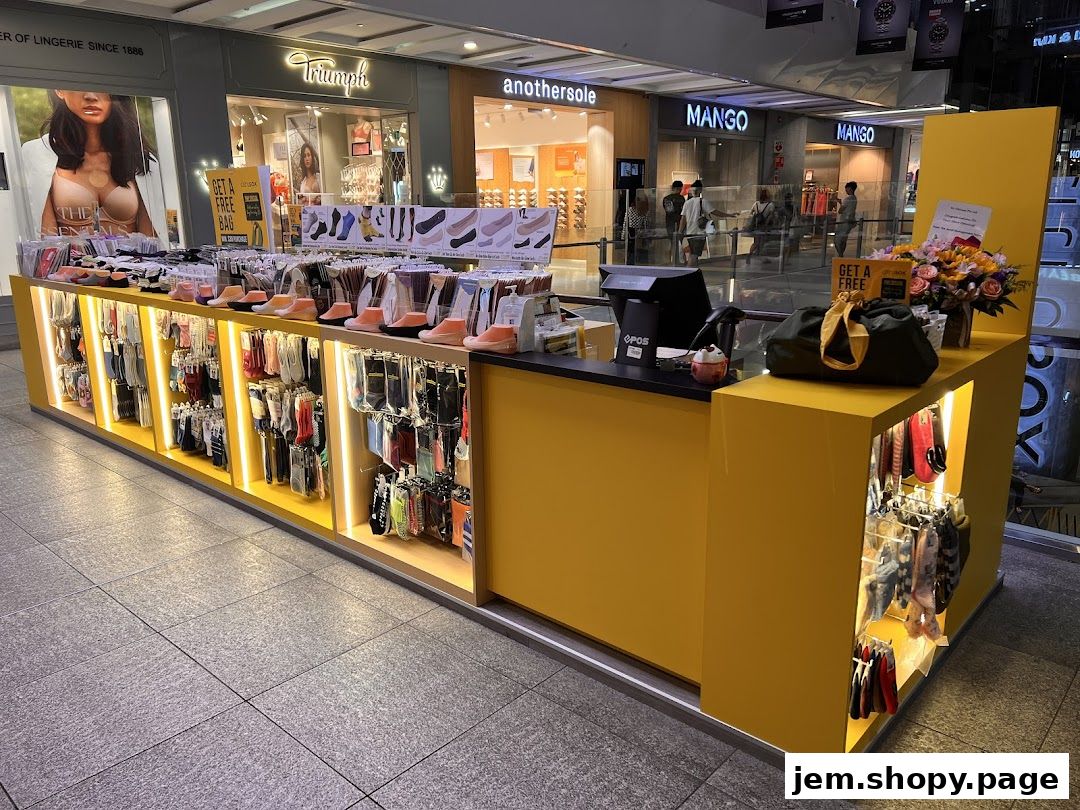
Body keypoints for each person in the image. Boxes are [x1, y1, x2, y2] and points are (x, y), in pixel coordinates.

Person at [23, 90, 160, 238]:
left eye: (101, 86)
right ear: (59, 90)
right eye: (79, 85)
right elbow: (46, 241)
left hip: (136, 260)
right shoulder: (39, 154)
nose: (91, 96)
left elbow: (153, 239)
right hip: (69, 261)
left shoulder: (138, 157)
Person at [679, 180, 733, 267]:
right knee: (694, 255)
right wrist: (729, 215)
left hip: (689, 232)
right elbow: (714, 212)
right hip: (699, 233)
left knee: (693, 253)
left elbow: (683, 218)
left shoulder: (687, 203)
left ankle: (694, 271)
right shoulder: (703, 201)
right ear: (700, 190)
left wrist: (680, 231)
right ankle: (688, 271)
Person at [746, 189, 777, 264]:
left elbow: (751, 213)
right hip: (764, 227)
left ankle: (749, 255)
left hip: (756, 226)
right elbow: (771, 216)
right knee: (763, 242)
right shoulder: (770, 205)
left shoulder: (756, 204)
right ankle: (762, 257)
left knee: (756, 242)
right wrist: (766, 225)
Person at [624, 192, 650, 265]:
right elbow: (645, 224)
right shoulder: (643, 211)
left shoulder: (631, 210)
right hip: (636, 234)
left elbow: (626, 223)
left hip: (633, 234)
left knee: (633, 253)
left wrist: (623, 236)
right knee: (636, 253)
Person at [661, 181, 685, 261]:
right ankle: (678, 260)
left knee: (672, 242)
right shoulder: (681, 198)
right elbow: (683, 212)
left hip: (670, 223)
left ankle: (670, 260)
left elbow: (669, 211)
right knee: (679, 242)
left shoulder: (667, 198)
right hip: (680, 222)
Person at [834, 181, 858, 257]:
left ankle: (840, 254)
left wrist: (840, 203)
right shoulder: (854, 198)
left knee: (837, 239)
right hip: (850, 221)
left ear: (850, 189)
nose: (846, 190)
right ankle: (841, 254)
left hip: (844, 221)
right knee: (843, 239)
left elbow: (840, 210)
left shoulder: (848, 199)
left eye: (846, 189)